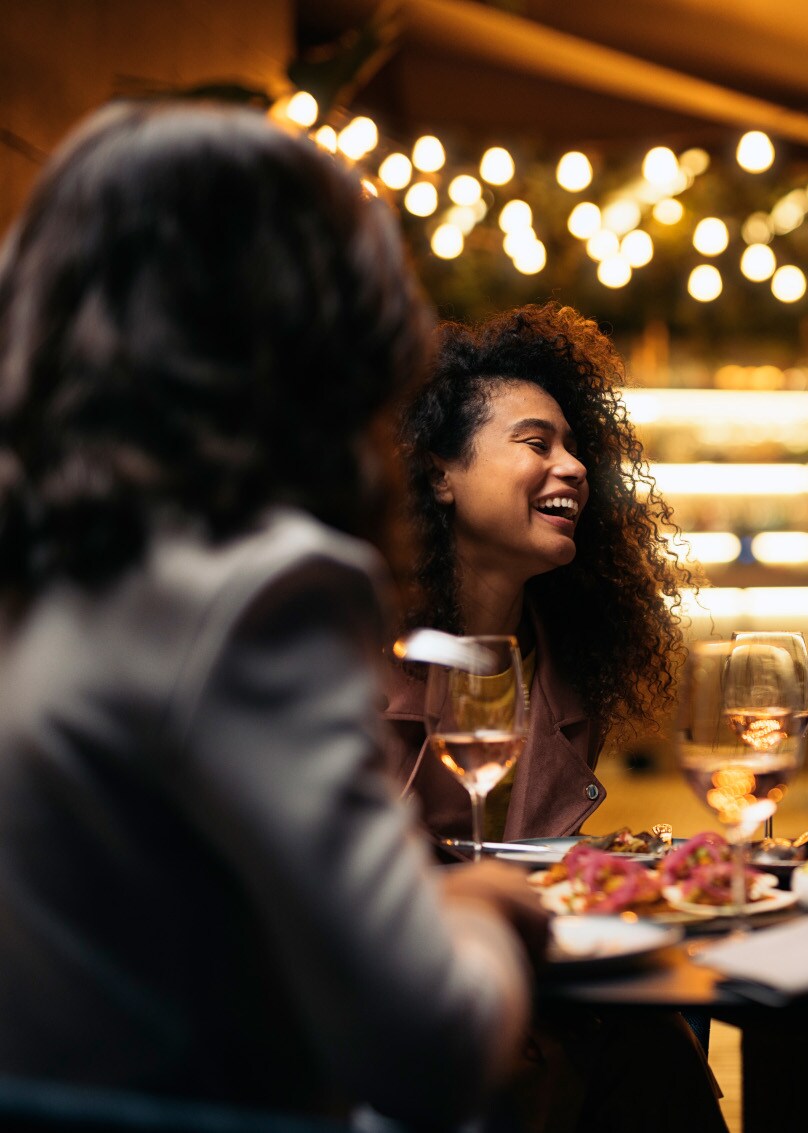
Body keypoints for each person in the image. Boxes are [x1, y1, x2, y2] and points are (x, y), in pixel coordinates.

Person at [0, 102, 545, 1125]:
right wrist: (481, 920)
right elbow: (428, 1046)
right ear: (322, 326)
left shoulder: (39, 574)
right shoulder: (258, 593)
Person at [386, 303, 688, 843]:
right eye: (536, 443)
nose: (574, 467)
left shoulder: (569, 667)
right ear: (439, 475)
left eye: (573, 447)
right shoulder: (357, 656)